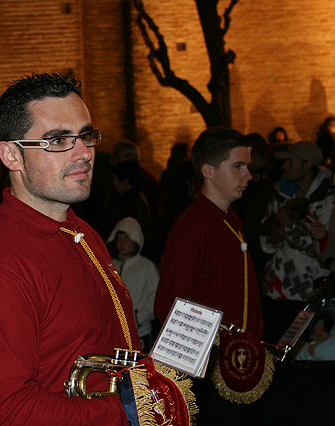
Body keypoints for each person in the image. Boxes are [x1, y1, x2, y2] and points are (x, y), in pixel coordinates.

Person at [0, 73, 143, 426]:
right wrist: (129, 411)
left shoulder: (82, 232)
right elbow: (7, 414)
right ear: (12, 156)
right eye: (57, 140)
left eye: (86, 135)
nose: (84, 152)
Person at [155, 127, 264, 426]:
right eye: (238, 166)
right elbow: (170, 305)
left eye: (249, 166)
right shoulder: (193, 227)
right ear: (208, 170)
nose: (248, 175)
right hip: (209, 375)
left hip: (238, 364)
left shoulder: (230, 222)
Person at [259, 141, 335, 341]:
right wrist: (274, 237)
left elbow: (324, 252)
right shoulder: (280, 194)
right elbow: (265, 241)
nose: (284, 166)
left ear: (306, 164)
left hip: (306, 294)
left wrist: (288, 226)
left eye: (289, 162)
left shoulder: (328, 200)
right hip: (275, 291)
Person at [106, 217, 158, 352]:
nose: (122, 243)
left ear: (137, 240)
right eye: (119, 239)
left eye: (127, 239)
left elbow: (155, 295)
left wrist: (139, 318)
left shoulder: (147, 266)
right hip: (115, 331)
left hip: (140, 332)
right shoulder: (110, 265)